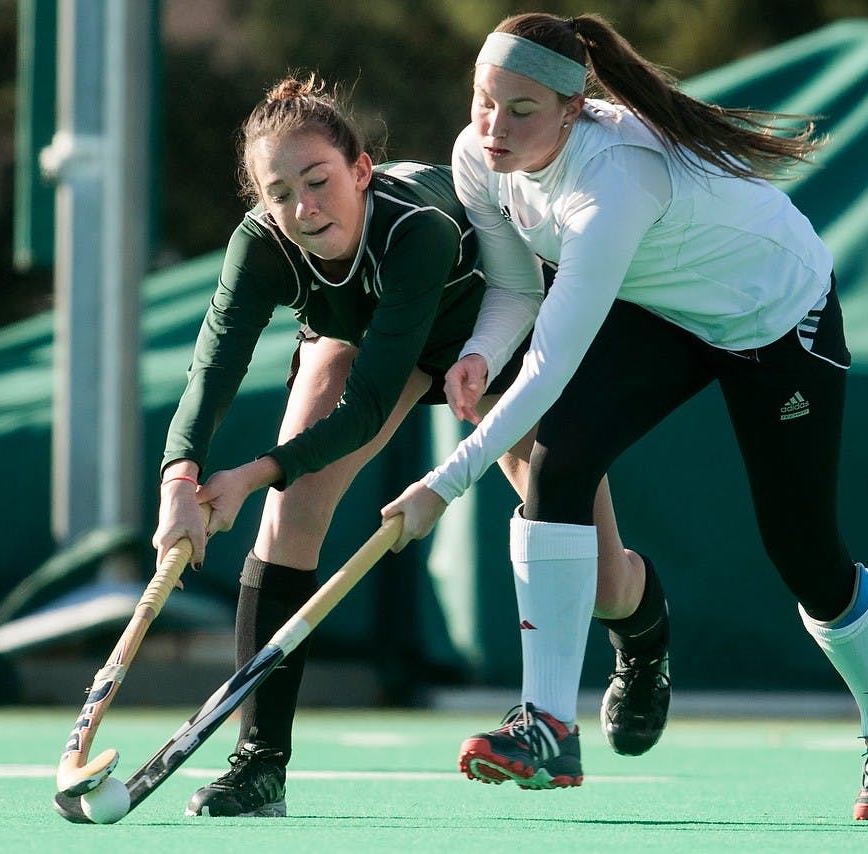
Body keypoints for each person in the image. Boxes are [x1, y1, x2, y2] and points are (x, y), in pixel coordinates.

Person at [382, 12, 868, 821]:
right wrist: (477, 350)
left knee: (805, 552)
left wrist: (446, 482)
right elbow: (514, 289)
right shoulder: (480, 157)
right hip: (664, 307)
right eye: (483, 102)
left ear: (573, 110)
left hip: (774, 316)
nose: (493, 126)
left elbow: (550, 364)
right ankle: (544, 724)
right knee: (560, 460)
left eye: (521, 110)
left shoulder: (615, 179)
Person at [153, 73, 656, 818]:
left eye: (318, 181)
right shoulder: (260, 245)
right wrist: (180, 479)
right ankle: (259, 763)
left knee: (603, 578)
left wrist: (253, 472)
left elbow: (367, 409)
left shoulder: (416, 229)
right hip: (358, 338)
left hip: (483, 337)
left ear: (361, 171)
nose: (303, 206)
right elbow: (213, 366)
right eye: (280, 192)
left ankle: (646, 637)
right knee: (289, 520)